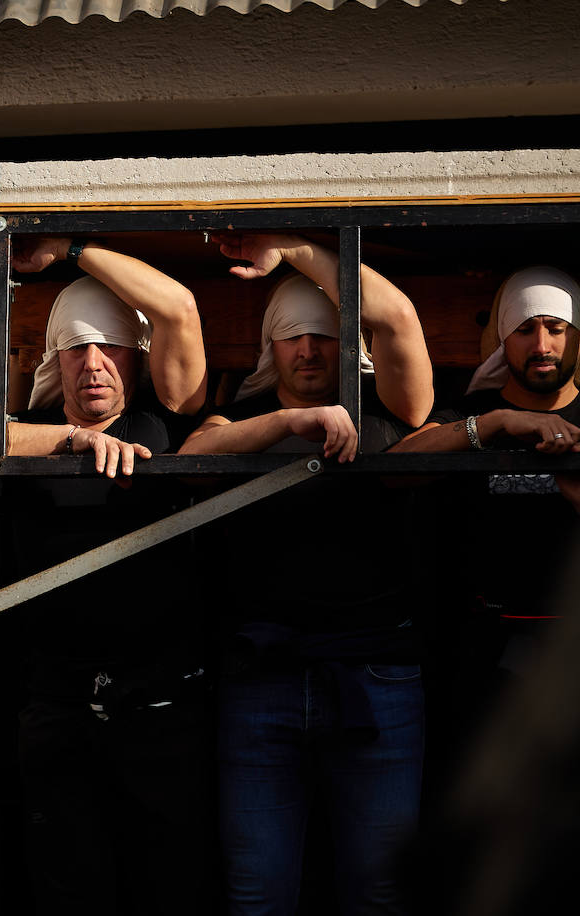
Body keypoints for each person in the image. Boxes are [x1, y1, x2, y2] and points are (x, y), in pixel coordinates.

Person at [0, 237, 213, 915]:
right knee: (67, 885)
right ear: (53, 359)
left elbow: (178, 306)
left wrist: (74, 245)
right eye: (76, 348)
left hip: (158, 708)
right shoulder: (31, 430)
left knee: (164, 884)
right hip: (54, 707)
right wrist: (70, 440)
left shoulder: (167, 423)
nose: (93, 364)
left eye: (110, 346)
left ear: (137, 358)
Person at [179, 232, 433, 915]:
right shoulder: (244, 417)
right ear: (271, 346)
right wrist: (291, 422)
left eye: (324, 334)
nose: (310, 349)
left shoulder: (394, 416)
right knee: (258, 888)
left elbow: (399, 317)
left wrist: (290, 244)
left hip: (377, 675)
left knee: (378, 890)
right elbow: (196, 450)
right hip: (264, 676)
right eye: (292, 336)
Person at [390, 267, 580, 794]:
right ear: (504, 338)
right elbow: (394, 468)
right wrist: (498, 424)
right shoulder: (473, 416)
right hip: (481, 663)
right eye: (526, 329)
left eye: (556, 327)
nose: (542, 344)